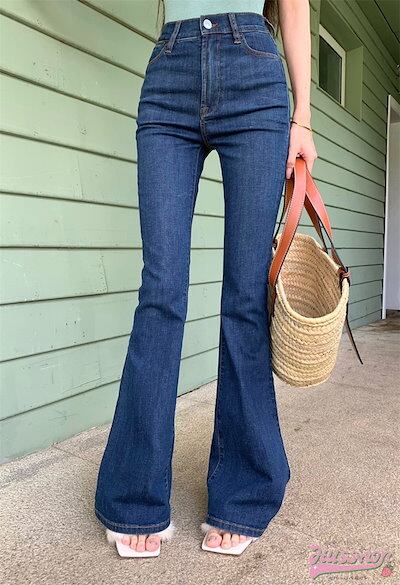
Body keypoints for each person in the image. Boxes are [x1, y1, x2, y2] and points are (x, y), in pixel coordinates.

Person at [95, 0, 317, 555]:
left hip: (254, 72)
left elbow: (294, 7)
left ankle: (242, 495)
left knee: (245, 297)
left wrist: (303, 118)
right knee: (160, 292)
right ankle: (134, 497)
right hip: (169, 70)